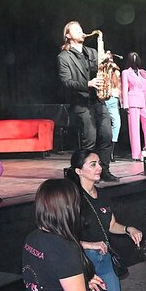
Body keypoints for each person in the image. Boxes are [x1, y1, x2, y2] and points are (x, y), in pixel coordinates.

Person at [65, 149, 143, 291]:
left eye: (99, 163)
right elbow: (64, 237)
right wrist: (89, 245)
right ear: (79, 171)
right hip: (85, 263)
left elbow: (110, 226)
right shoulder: (73, 199)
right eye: (93, 164)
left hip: (105, 260)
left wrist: (128, 229)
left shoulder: (102, 195)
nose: (99, 167)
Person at [57, 21, 117, 182]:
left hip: (98, 100)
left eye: (81, 29)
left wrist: (107, 63)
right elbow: (66, 82)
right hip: (81, 103)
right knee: (89, 141)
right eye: (76, 30)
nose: (81, 31)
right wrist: (88, 84)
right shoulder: (64, 57)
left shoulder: (92, 52)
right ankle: (85, 174)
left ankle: (104, 171)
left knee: (106, 136)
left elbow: (101, 70)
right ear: (68, 35)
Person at [122, 52, 146, 161]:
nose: (134, 61)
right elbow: (124, 88)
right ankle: (136, 154)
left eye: (136, 58)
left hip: (144, 101)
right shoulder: (126, 72)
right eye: (132, 58)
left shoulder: (143, 73)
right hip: (133, 101)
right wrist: (126, 104)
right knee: (134, 129)